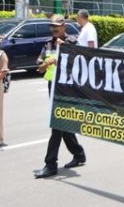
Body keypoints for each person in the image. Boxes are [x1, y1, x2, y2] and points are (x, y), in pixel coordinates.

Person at [34, 15, 86, 178]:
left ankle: (50, 164)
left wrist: (65, 51)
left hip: (68, 88)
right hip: (53, 87)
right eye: (52, 26)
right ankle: (78, 154)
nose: (54, 29)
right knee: (63, 123)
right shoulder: (48, 44)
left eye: (57, 26)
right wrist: (45, 64)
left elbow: (81, 63)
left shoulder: (72, 41)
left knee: (57, 125)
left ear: (64, 26)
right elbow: (39, 66)